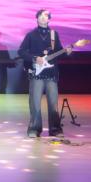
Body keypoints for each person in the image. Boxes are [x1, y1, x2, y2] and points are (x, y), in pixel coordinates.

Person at [18, 9, 73, 138]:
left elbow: (59, 52)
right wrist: (35, 58)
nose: (43, 18)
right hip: (36, 74)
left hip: (51, 74)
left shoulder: (54, 34)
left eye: (46, 16)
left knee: (53, 104)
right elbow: (21, 52)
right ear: (37, 18)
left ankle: (55, 129)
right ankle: (34, 129)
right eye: (41, 16)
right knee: (35, 103)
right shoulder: (30, 35)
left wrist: (66, 52)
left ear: (49, 19)